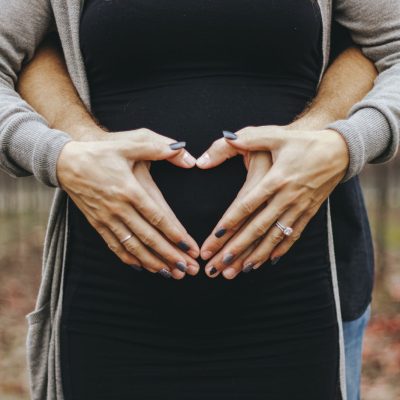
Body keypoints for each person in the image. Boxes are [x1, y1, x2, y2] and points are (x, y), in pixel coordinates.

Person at [0, 1, 399, 399]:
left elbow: (388, 46)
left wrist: (342, 142)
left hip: (299, 305)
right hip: (108, 312)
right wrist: (59, 154)